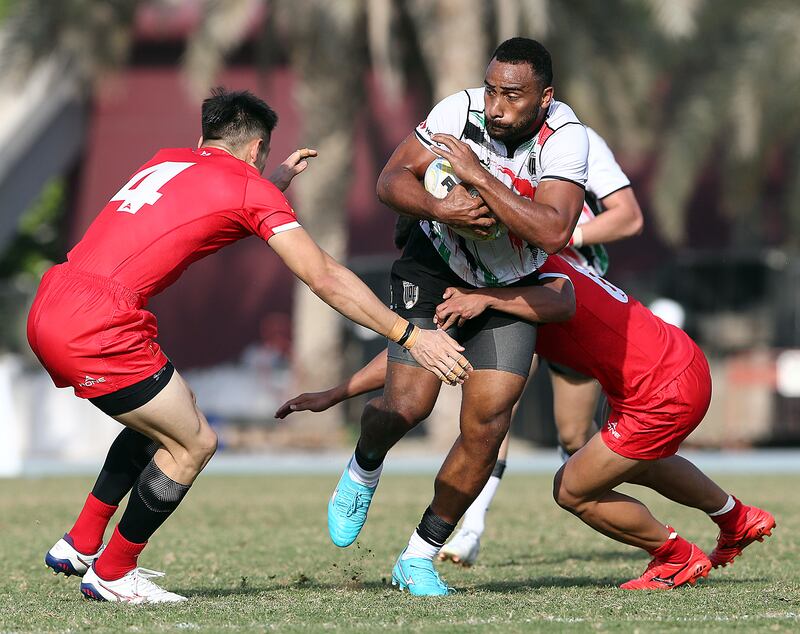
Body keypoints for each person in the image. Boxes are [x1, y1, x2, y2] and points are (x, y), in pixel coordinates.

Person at [29, 88, 470, 604]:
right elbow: (323, 275)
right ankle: (112, 572)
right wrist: (409, 334)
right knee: (193, 443)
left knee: (165, 421)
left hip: (55, 296)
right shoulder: (248, 190)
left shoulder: (168, 159)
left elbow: (197, 208)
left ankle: (80, 542)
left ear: (204, 137)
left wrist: (266, 184)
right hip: (99, 322)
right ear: (258, 147)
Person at [278, 254, 776, 590]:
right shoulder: (529, 259)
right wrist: (335, 393)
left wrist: (487, 300)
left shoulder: (516, 282)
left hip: (660, 387)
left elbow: (560, 300)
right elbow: (414, 354)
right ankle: (735, 517)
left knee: (572, 489)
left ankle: (675, 556)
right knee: (640, 462)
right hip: (671, 362)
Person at [325, 37, 589, 596]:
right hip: (433, 266)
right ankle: (364, 463)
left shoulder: (567, 138)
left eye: (512, 96)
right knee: (407, 405)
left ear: (545, 98)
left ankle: (419, 556)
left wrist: (478, 179)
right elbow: (390, 180)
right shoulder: (457, 111)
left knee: (488, 424)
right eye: (491, 90)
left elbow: (552, 230)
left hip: (509, 284)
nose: (495, 106)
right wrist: (440, 206)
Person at [438, 125, 644, 566]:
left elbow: (629, 216)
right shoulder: (479, 141)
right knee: (495, 412)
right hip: (512, 291)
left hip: (572, 297)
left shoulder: (580, 139)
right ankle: (469, 530)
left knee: (574, 434)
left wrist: (564, 235)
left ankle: (648, 501)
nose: (503, 107)